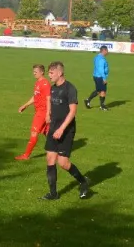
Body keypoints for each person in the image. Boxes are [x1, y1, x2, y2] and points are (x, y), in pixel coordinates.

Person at [41, 61, 89, 200]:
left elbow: (73, 111)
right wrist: (48, 115)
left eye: (51, 73)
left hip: (66, 130)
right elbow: (50, 101)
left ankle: (83, 181)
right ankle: (53, 193)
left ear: (60, 73)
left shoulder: (70, 89)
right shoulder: (53, 88)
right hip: (53, 129)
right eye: (49, 73)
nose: (49, 75)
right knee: (50, 158)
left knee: (63, 163)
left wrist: (61, 129)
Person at [15, 64, 51, 160]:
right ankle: (56, 150)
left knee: (34, 133)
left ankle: (26, 155)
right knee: (48, 133)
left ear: (42, 72)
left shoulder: (45, 84)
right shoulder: (37, 83)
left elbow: (49, 99)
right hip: (39, 111)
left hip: (42, 112)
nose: (33, 74)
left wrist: (48, 113)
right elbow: (35, 97)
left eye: (35, 72)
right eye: (33, 72)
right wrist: (25, 105)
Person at [84, 45, 109, 111]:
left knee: (99, 91)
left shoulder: (97, 57)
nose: (108, 52)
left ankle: (88, 100)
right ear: (104, 50)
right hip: (100, 77)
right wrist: (104, 78)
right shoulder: (101, 59)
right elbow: (101, 70)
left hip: (96, 76)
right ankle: (102, 105)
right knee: (103, 91)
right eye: (107, 50)